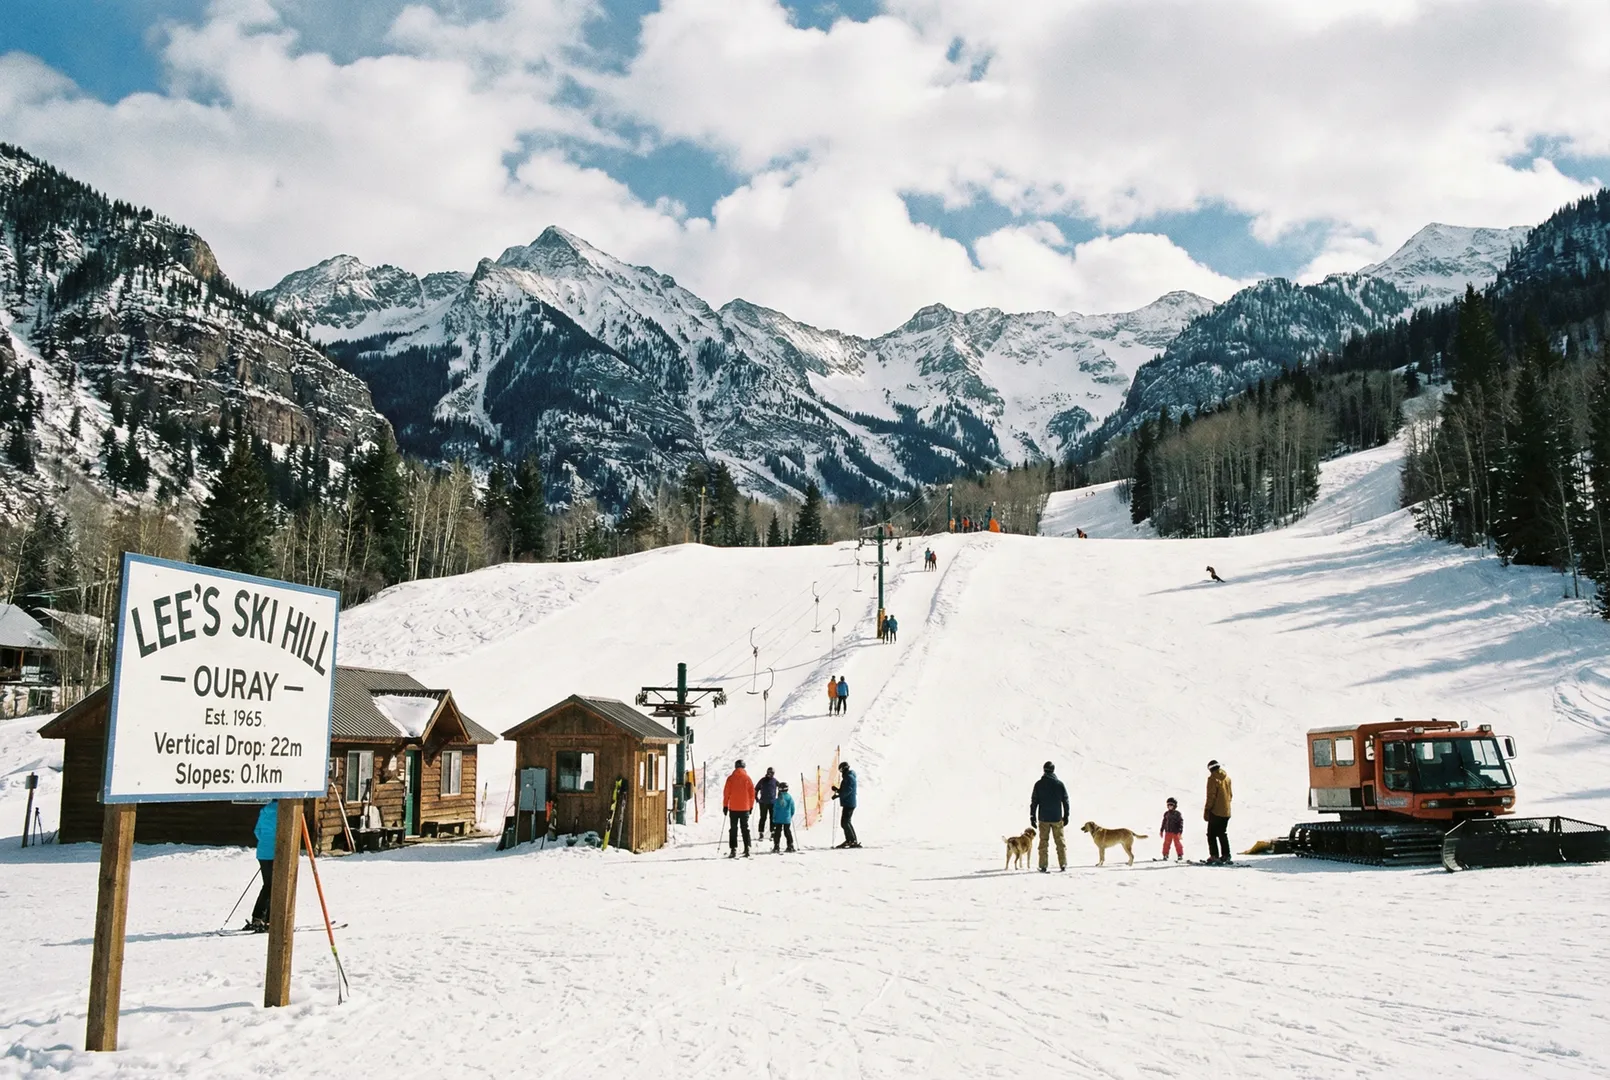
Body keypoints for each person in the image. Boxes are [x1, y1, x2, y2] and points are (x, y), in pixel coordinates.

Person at [1030, 761, 1070, 872]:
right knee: (1060, 842)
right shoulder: (1059, 784)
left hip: (1043, 818)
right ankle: (1063, 864)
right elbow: (1065, 801)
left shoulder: (1038, 784)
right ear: (1053, 770)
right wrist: (1066, 815)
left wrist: (1032, 815)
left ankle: (1043, 865)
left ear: (1044, 770)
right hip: (1057, 817)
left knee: (1043, 842)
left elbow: (1034, 801)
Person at [246, 802, 278, 932]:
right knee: (273, 886)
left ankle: (258, 917)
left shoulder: (265, 811)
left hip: (263, 853)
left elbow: (257, 831)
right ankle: (268, 919)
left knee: (268, 885)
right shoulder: (284, 811)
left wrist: (265, 843)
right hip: (277, 853)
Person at [723, 758, 756, 858]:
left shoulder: (730, 778)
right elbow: (752, 794)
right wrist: (750, 806)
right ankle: (747, 848)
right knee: (745, 828)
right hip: (745, 808)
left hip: (733, 808)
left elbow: (726, 793)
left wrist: (725, 806)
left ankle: (733, 849)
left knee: (733, 828)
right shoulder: (747, 778)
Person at [1204, 760, 1233, 864]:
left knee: (1211, 834)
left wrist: (1207, 809)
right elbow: (1230, 795)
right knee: (1222, 833)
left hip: (1215, 811)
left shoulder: (1212, 779)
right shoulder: (1227, 778)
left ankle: (1214, 855)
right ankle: (1226, 855)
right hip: (1226, 811)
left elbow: (1211, 796)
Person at [831, 761, 860, 847]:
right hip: (848, 802)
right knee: (846, 822)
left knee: (845, 822)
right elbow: (845, 789)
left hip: (849, 803)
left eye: (840, 770)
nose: (840, 772)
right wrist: (837, 790)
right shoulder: (848, 777)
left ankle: (852, 840)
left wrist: (838, 795)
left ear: (844, 769)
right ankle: (850, 840)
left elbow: (848, 790)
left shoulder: (849, 777)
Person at [771, 781, 797, 853]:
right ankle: (790, 845)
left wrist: (774, 817)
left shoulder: (777, 799)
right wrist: (790, 815)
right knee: (787, 831)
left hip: (778, 819)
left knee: (777, 832)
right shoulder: (789, 797)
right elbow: (792, 808)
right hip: (786, 818)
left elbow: (775, 809)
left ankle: (776, 846)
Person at [755, 767, 779, 838]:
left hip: (772, 803)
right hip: (763, 803)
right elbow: (756, 789)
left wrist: (779, 798)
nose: (770, 774)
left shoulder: (774, 781)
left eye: (772, 773)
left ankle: (773, 832)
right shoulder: (762, 780)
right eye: (769, 772)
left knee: (772, 818)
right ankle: (761, 832)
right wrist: (757, 799)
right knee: (763, 818)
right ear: (767, 772)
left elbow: (780, 787)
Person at [1160, 797, 1185, 862]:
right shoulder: (1166, 814)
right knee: (1166, 844)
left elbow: (1181, 823)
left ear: (1174, 806)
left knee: (1177, 843)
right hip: (1168, 831)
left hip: (1175, 832)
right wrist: (1161, 830)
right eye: (1169, 805)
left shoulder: (1177, 814)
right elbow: (1164, 822)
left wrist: (1180, 831)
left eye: (1171, 805)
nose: (1170, 806)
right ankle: (1165, 854)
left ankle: (1180, 855)